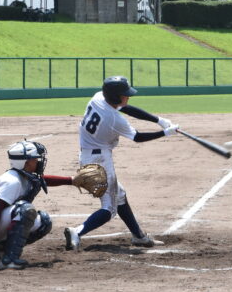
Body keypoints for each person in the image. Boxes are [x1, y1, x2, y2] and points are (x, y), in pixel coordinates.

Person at [64, 76, 180, 252]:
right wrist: (165, 132)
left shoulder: (98, 97)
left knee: (120, 195)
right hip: (100, 161)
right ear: (116, 97)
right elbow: (138, 137)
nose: (128, 97)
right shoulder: (113, 119)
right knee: (109, 209)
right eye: (125, 94)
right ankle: (77, 232)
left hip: (87, 156)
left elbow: (126, 108)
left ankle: (139, 237)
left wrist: (158, 120)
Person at [0, 141, 75, 270]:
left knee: (44, 222)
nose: (38, 161)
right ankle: (9, 260)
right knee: (25, 209)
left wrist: (72, 180)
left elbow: (44, 180)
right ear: (26, 162)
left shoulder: (23, 175)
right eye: (35, 159)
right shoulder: (12, 181)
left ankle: (1, 250)